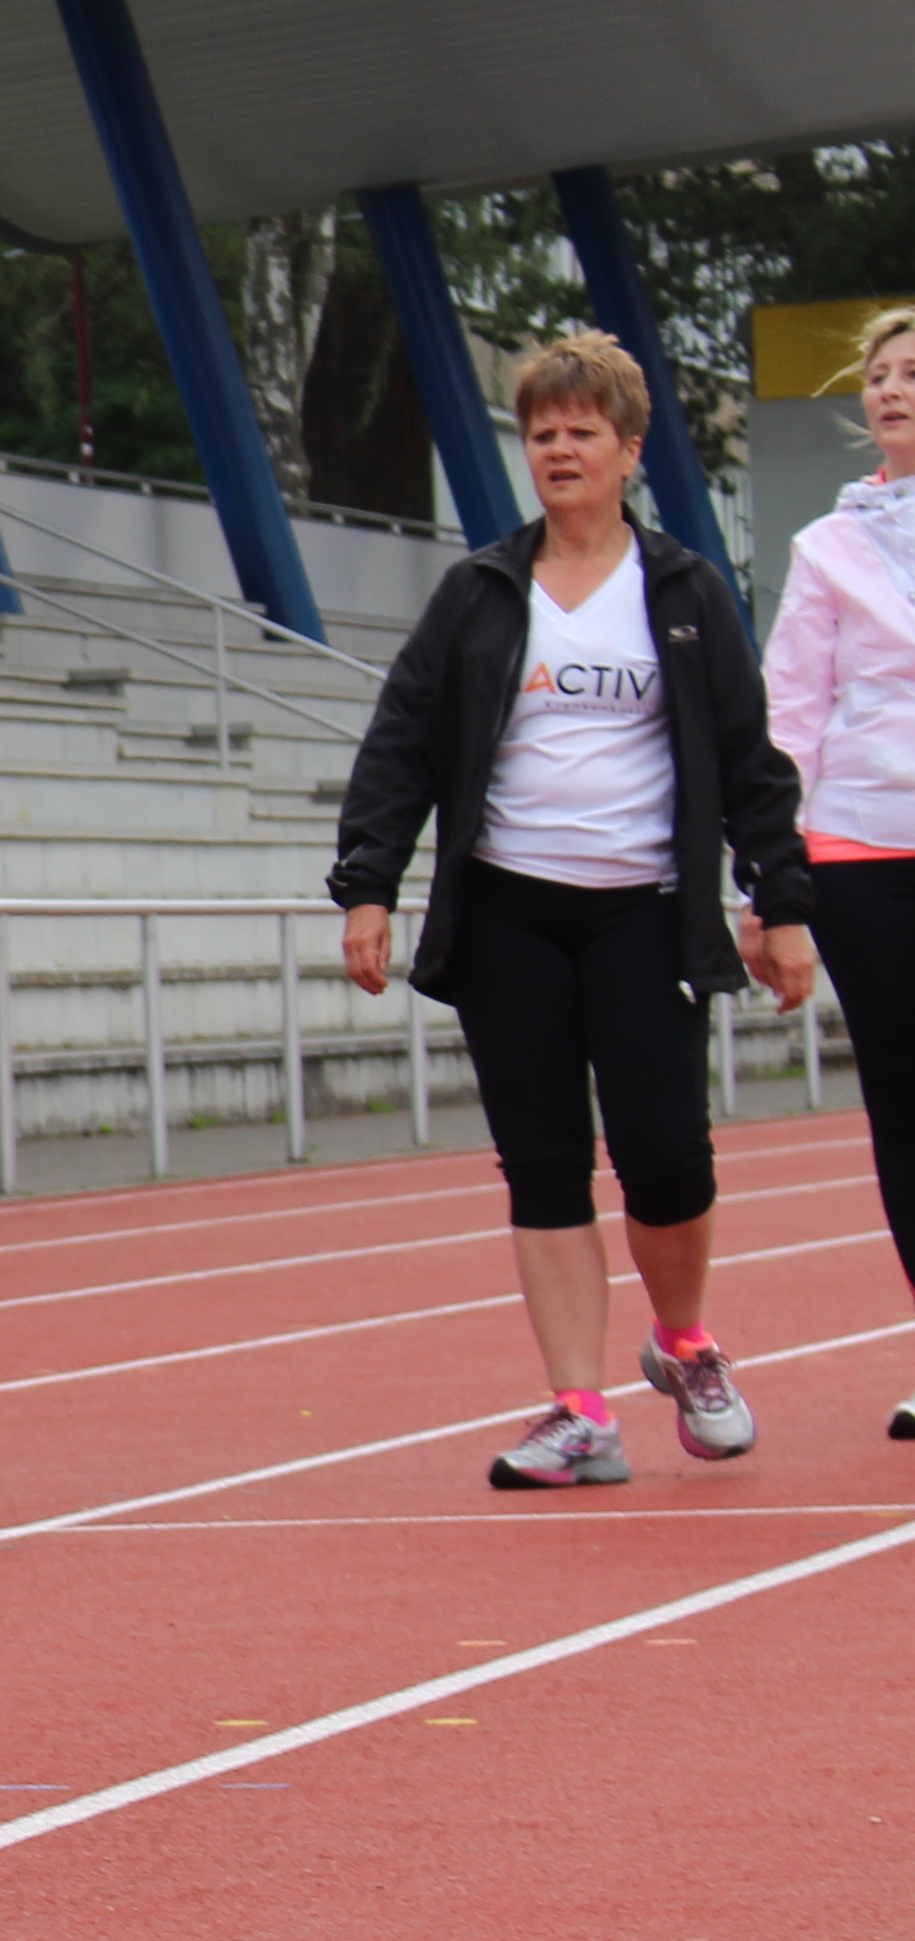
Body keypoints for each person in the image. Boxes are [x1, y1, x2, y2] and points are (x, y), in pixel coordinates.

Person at [337, 330, 813, 1491]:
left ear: (628, 451)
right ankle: (579, 1410)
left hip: (644, 917)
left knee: (666, 1157)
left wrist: (781, 903)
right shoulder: (482, 592)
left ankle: (687, 1344)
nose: (558, 448)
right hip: (508, 916)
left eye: (580, 432)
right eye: (541, 432)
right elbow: (401, 741)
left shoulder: (687, 592)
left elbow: (750, 763)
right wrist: (367, 884)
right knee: (543, 1165)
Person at [764, 304, 915, 1443]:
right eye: (879, 374)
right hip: (862, 845)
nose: (893, 389)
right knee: (903, 1108)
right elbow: (791, 715)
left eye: (912, 373)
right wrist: (779, 882)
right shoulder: (828, 546)